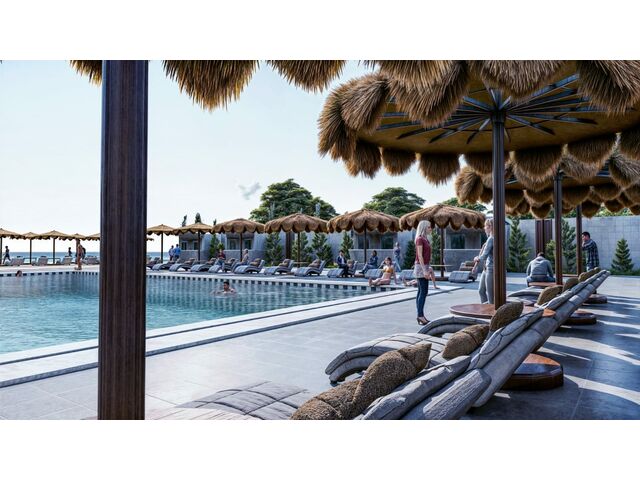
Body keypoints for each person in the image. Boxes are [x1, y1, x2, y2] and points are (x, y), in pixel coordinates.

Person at [414, 220, 432, 325]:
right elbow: (420, 255)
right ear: (424, 227)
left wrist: (428, 267)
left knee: (421, 291)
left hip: (424, 266)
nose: (431, 229)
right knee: (423, 292)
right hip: (421, 267)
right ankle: (420, 315)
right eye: (429, 227)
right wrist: (424, 270)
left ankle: (419, 315)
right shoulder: (420, 239)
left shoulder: (425, 239)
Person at [475, 218, 494, 304]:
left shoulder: (491, 239)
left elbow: (484, 255)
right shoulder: (490, 238)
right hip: (486, 268)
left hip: (491, 269)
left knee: (491, 297)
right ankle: (485, 309)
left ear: (490, 227)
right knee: (481, 290)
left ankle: (490, 310)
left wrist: (477, 258)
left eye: (485, 226)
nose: (484, 228)